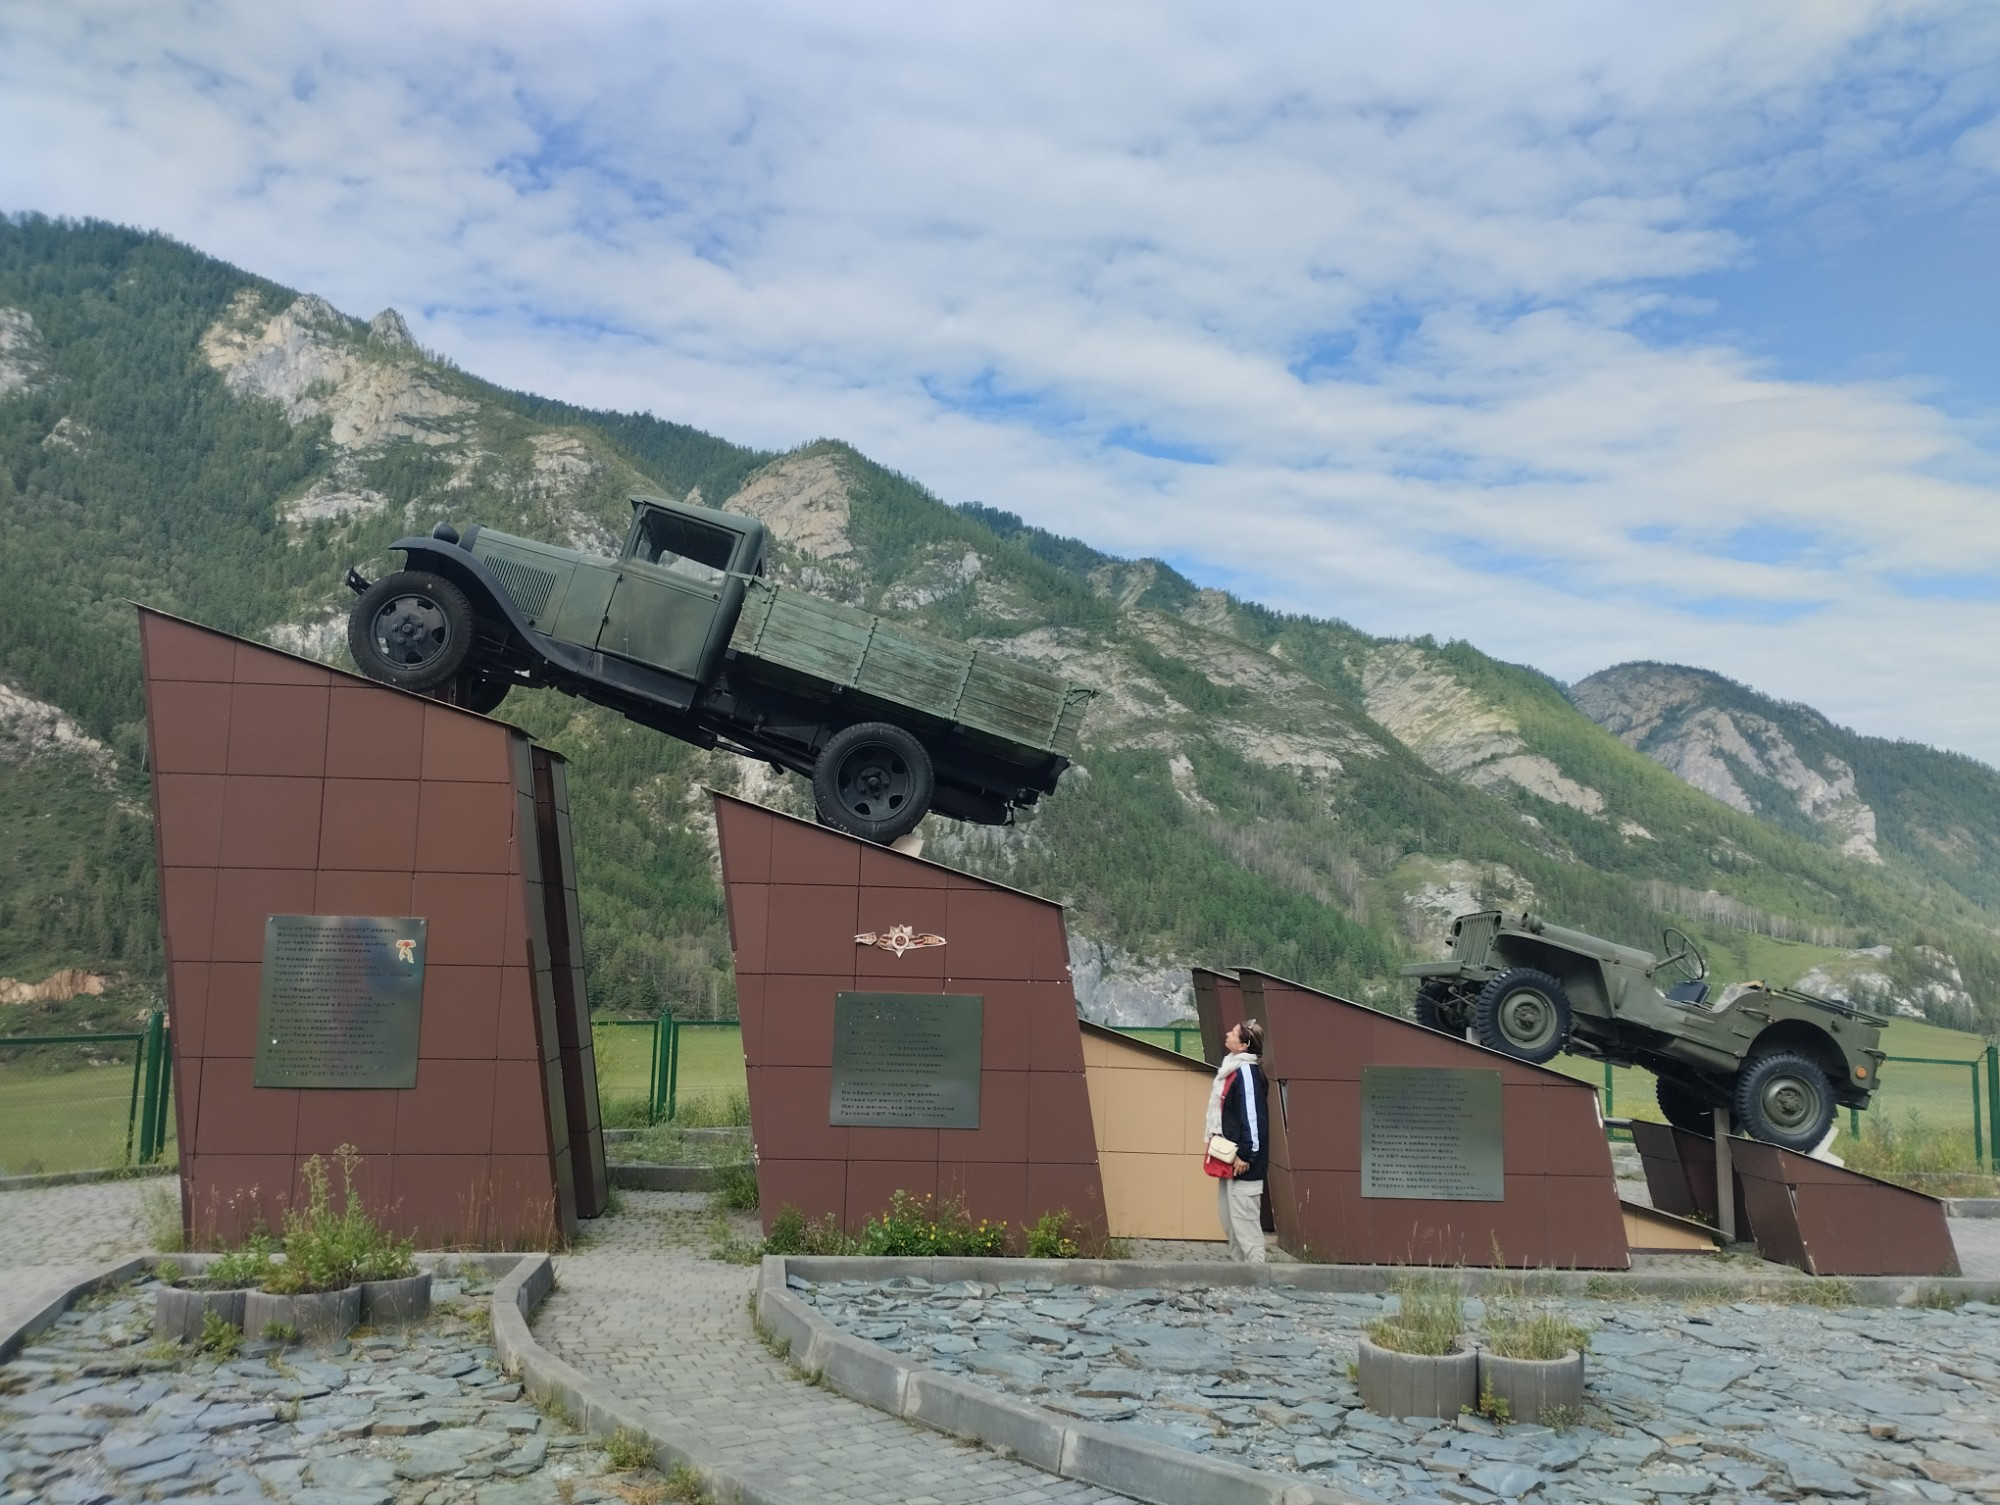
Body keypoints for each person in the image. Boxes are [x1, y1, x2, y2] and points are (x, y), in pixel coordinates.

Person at [1206, 1019, 1269, 1263]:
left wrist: (1246, 1154)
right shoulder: (1231, 1069)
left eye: (1233, 1033)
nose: (1227, 1034)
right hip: (1229, 1159)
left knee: (1246, 1228)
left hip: (1244, 1163)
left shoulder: (1246, 1073)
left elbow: (1253, 1119)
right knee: (1230, 1223)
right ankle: (1240, 1279)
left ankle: (1258, 1280)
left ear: (1244, 1046)